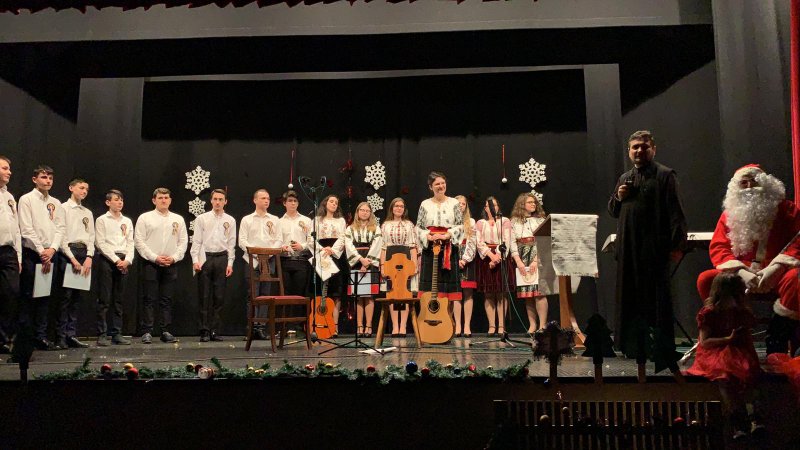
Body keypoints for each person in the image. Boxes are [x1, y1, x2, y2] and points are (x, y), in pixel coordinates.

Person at [696, 164, 800, 355]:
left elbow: (798, 241)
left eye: (754, 182)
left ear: (767, 184)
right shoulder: (729, 215)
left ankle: (777, 338)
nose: (750, 187)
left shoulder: (787, 209)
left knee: (797, 281)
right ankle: (724, 334)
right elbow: (719, 247)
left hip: (779, 271)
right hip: (741, 273)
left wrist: (777, 267)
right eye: (744, 183)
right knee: (707, 280)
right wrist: (741, 272)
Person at [608, 130, 687, 378]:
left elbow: (676, 213)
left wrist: (676, 246)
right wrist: (618, 197)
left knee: (655, 297)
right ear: (629, 151)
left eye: (644, 146)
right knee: (630, 295)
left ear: (653, 149)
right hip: (629, 247)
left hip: (654, 248)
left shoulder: (665, 175)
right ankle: (632, 345)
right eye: (635, 147)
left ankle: (658, 348)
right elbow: (613, 211)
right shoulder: (625, 177)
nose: (639, 151)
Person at [686, 272, 764, 440]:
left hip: (737, 349)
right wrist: (728, 339)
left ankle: (755, 418)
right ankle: (738, 422)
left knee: (748, 371)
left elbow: (750, 326)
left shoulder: (739, 311)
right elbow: (705, 342)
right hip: (714, 350)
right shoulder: (709, 312)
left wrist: (744, 318)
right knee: (725, 373)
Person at [18, 165, 65, 351]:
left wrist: (52, 249)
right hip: (33, 254)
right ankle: (27, 337)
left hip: (50, 254)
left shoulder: (56, 202)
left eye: (50, 178)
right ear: (34, 179)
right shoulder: (27, 199)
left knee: (45, 296)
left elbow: (60, 228)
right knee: (29, 296)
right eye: (44, 177)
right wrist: (41, 251)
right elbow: (26, 228)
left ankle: (41, 336)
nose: (48, 181)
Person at [134, 187, 188, 344]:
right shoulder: (145, 218)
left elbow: (183, 242)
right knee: (149, 298)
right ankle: (147, 331)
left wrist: (174, 258)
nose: (163, 200)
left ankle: (165, 330)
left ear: (170, 200)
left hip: (170, 263)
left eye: (166, 198)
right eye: (160, 198)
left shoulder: (178, 219)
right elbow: (139, 241)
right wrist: (155, 257)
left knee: (167, 299)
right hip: (150, 263)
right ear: (154, 200)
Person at [239, 189, 287, 340]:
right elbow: (242, 241)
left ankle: (261, 327)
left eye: (268, 198)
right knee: (252, 295)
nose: (266, 201)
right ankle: (251, 328)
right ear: (255, 200)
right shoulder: (247, 219)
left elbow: (279, 240)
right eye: (263, 198)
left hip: (269, 261)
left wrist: (267, 254)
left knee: (266, 295)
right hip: (251, 260)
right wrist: (256, 254)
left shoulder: (274, 219)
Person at [190, 189, 236, 342]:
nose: (217, 202)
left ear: (225, 202)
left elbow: (231, 244)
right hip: (205, 257)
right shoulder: (202, 218)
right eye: (215, 199)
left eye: (221, 199)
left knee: (219, 297)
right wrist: (195, 260)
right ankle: (204, 330)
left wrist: (230, 263)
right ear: (211, 201)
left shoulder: (230, 220)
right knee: (204, 296)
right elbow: (197, 241)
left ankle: (215, 330)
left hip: (222, 257)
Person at [55, 178, 94, 349]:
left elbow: (91, 236)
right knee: (65, 297)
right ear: (71, 188)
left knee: (76, 298)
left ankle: (71, 334)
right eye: (81, 187)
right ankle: (60, 336)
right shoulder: (63, 208)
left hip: (83, 253)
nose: (84, 191)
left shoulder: (87, 212)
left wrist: (89, 256)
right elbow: (61, 235)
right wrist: (72, 258)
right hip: (68, 252)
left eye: (86, 189)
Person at [415, 171, 463, 304]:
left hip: (448, 247)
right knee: (430, 288)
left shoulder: (454, 203)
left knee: (448, 292)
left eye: (443, 183)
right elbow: (419, 227)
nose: (441, 186)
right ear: (431, 187)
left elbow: (460, 225)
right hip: (430, 248)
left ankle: (447, 316)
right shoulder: (425, 204)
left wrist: (447, 235)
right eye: (437, 184)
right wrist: (428, 236)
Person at [94, 189, 134, 346]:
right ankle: (102, 333)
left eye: (121, 200)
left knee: (119, 299)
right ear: (108, 202)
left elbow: (130, 242)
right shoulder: (102, 220)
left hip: (123, 260)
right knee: (104, 299)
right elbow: (100, 243)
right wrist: (117, 260)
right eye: (116, 200)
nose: (120, 202)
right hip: (108, 259)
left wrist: (127, 260)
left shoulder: (127, 221)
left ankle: (117, 332)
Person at [476, 196, 516, 336]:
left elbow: (506, 240)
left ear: (498, 207)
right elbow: (479, 242)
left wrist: (497, 257)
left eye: (495, 205)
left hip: (501, 258)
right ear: (485, 208)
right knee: (488, 293)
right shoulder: (480, 223)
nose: (492, 208)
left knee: (501, 293)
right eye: (489, 205)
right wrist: (490, 256)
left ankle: (501, 326)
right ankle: (492, 325)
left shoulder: (504, 221)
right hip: (486, 259)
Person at [510, 193, 549, 334]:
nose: (534, 204)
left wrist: (536, 260)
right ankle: (532, 325)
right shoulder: (514, 222)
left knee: (539, 292)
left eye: (534, 202)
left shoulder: (541, 220)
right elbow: (512, 242)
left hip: (537, 256)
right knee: (527, 293)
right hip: (522, 257)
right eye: (530, 202)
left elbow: (544, 241)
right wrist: (518, 261)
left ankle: (543, 325)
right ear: (522, 204)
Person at [380, 197, 417, 337]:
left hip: (405, 257)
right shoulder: (385, 225)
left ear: (404, 209)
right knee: (392, 292)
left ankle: (403, 326)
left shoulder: (409, 225)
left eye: (401, 206)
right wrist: (382, 266)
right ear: (392, 208)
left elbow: (413, 246)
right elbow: (383, 247)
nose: (399, 208)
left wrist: (414, 265)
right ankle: (395, 326)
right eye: (396, 206)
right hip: (390, 257)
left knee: (406, 292)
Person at [311, 194, 347, 337]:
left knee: (335, 292)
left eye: (336, 203)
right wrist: (322, 250)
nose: (333, 204)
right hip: (321, 256)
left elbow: (343, 237)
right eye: (331, 201)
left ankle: (334, 326)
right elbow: (310, 238)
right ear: (325, 203)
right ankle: (319, 325)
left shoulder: (341, 221)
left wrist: (332, 250)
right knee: (320, 291)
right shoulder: (316, 220)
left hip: (335, 256)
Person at [344, 202, 382, 337]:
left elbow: (377, 245)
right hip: (356, 262)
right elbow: (348, 246)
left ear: (370, 213)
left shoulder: (376, 228)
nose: (365, 212)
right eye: (362, 210)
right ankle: (359, 325)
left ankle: (369, 325)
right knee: (358, 296)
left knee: (370, 296)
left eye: (367, 210)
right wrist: (360, 260)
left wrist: (366, 263)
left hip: (371, 261)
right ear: (357, 212)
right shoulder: (350, 229)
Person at [0, 156, 21, 354]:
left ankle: (4, 339)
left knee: (11, 293)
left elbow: (16, 227)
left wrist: (18, 256)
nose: (9, 172)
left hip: (8, 252)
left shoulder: (9, 196)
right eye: (5, 168)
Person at [279, 190, 313, 297]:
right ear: (284, 203)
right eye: (290, 201)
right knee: (285, 293)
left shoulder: (306, 220)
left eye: (295, 201)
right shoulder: (279, 222)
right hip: (284, 260)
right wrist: (282, 247)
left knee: (299, 294)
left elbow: (311, 240)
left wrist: (302, 246)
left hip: (301, 260)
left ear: (298, 203)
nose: (293, 203)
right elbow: (276, 240)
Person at [455, 195, 476, 338]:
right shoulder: (449, 221)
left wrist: (465, 259)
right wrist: (455, 260)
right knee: (456, 293)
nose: (461, 206)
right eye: (458, 204)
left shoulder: (471, 222)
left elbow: (472, 242)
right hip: (453, 258)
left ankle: (467, 325)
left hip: (467, 258)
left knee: (468, 293)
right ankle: (457, 325)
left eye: (463, 204)